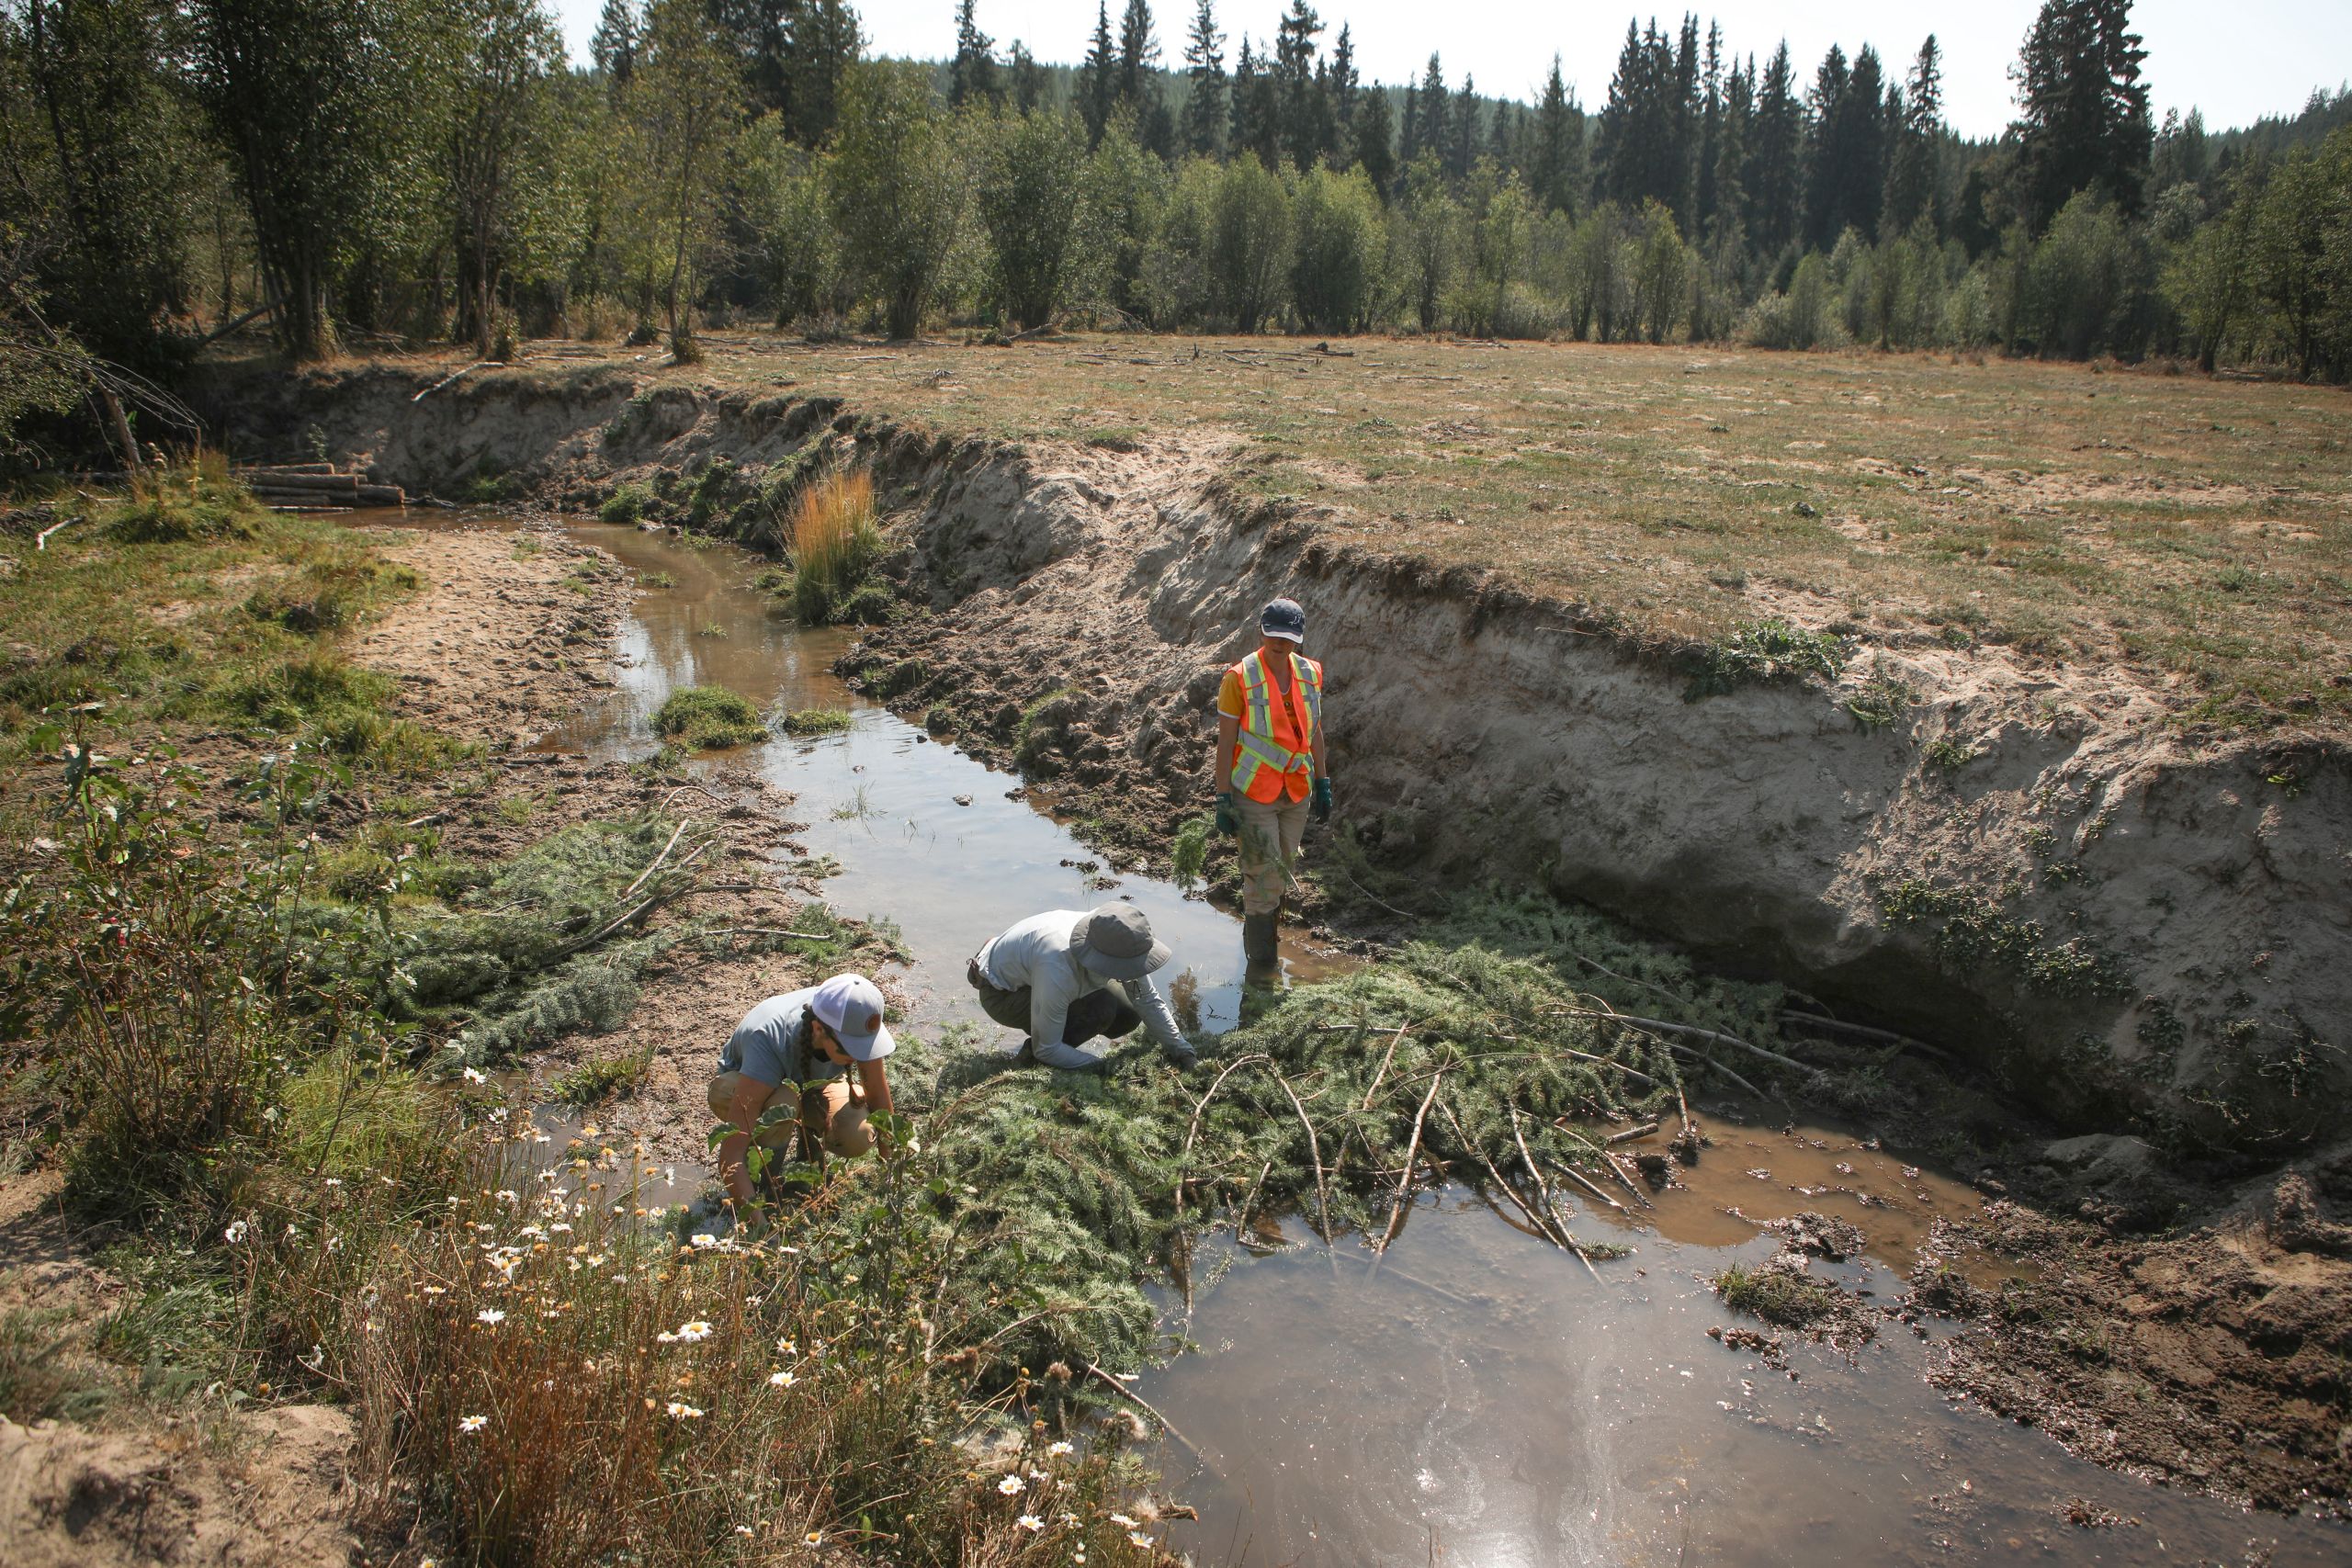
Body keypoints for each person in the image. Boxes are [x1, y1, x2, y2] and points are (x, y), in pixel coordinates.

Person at [707, 974, 896, 1213]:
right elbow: (730, 1154)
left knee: (857, 1131)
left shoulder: (854, 1020)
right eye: (852, 1050)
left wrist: (891, 1173)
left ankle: (806, 1159)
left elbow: (878, 1096)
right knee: (784, 1103)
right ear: (818, 1029)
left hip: (804, 1086)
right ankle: (765, 1186)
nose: (859, 1056)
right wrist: (758, 1226)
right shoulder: (768, 1037)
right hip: (737, 1087)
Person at [1212, 597, 1331, 967]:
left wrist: (1323, 780)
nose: (1280, 644)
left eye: (1288, 637)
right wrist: (1222, 797)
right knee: (1263, 879)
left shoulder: (1311, 672)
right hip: (1254, 792)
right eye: (1273, 636)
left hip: (1296, 790)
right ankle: (1261, 970)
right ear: (1261, 632)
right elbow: (1227, 741)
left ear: (1300, 637)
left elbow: (1314, 731)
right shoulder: (1238, 678)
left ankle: (1266, 945)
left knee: (1283, 871)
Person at [968, 904, 1199, 1070]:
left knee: (1128, 1011)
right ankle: (1031, 1062)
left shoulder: (1113, 934)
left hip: (1036, 970)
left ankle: (1060, 1041)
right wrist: (1102, 1067)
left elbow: (1146, 1000)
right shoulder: (1057, 964)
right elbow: (1046, 1048)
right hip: (1001, 992)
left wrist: (1182, 1050)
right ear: (1105, 959)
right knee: (1100, 1008)